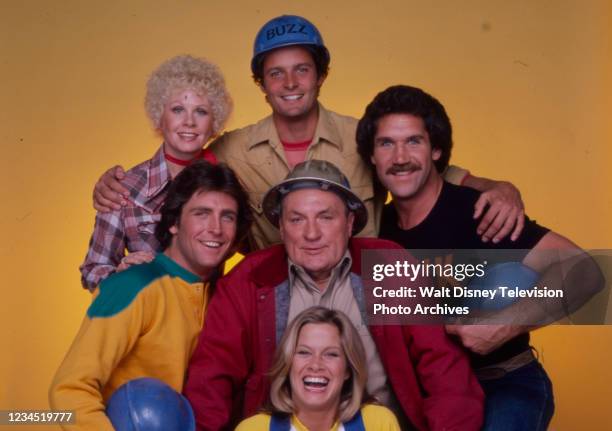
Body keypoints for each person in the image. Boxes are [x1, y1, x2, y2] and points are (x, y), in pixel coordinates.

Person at [91, 14, 524, 251]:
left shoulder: (363, 136)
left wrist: (494, 186)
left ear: (321, 76)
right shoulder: (232, 149)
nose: (291, 83)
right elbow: (179, 167)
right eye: (276, 74)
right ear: (262, 86)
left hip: (366, 301)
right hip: (274, 303)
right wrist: (116, 186)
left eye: (302, 70)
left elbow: (422, 171)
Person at [355, 85, 601, 430]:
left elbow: (584, 271)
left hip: (503, 383)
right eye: (386, 144)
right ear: (371, 156)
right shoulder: (379, 234)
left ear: (437, 149)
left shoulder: (481, 212)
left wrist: (504, 325)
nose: (399, 157)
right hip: (429, 392)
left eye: (414, 141)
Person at [183, 160, 484, 431]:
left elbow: (445, 372)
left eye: (326, 217)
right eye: (297, 219)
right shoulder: (248, 280)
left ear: (350, 223)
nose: (311, 234)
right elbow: (212, 376)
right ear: (281, 227)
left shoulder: (389, 266)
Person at [49, 161, 252, 430]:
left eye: (227, 216)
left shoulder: (223, 295)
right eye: (201, 213)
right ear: (174, 223)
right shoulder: (133, 285)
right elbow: (68, 390)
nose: (215, 228)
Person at [79, 54, 232, 289]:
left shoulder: (227, 186)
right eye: (178, 109)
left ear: (214, 122)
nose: (189, 121)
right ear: (159, 117)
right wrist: (121, 275)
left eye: (201, 111)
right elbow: (92, 271)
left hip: (208, 320)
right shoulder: (124, 188)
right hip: (147, 321)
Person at [236, 306, 400, 431]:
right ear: (287, 364)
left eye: (331, 354)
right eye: (304, 352)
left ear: (348, 370)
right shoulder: (253, 428)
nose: (316, 365)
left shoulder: (378, 423)